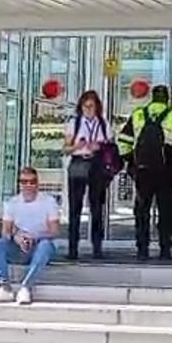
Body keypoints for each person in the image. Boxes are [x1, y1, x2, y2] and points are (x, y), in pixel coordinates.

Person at [117, 84, 172, 261]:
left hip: (143, 172)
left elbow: (123, 140)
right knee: (166, 211)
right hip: (167, 172)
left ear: (152, 97)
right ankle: (164, 249)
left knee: (142, 211)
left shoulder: (138, 114)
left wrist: (131, 162)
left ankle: (142, 249)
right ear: (167, 98)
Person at [0, 167, 59, 305]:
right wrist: (16, 236)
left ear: (38, 184)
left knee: (46, 246)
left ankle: (26, 286)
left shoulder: (48, 202)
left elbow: (54, 231)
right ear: (19, 184)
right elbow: (5, 231)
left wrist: (34, 237)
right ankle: (3, 287)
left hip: (38, 246)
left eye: (32, 182)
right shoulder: (12, 203)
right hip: (18, 247)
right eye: (24, 182)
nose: (28, 185)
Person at [64, 90, 111, 261]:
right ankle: (72, 248)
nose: (88, 110)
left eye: (92, 106)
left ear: (97, 107)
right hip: (78, 162)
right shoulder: (74, 123)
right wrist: (78, 146)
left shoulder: (104, 124)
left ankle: (97, 247)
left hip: (96, 164)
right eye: (85, 106)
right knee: (75, 208)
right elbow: (66, 149)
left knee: (97, 207)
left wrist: (99, 147)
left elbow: (110, 147)